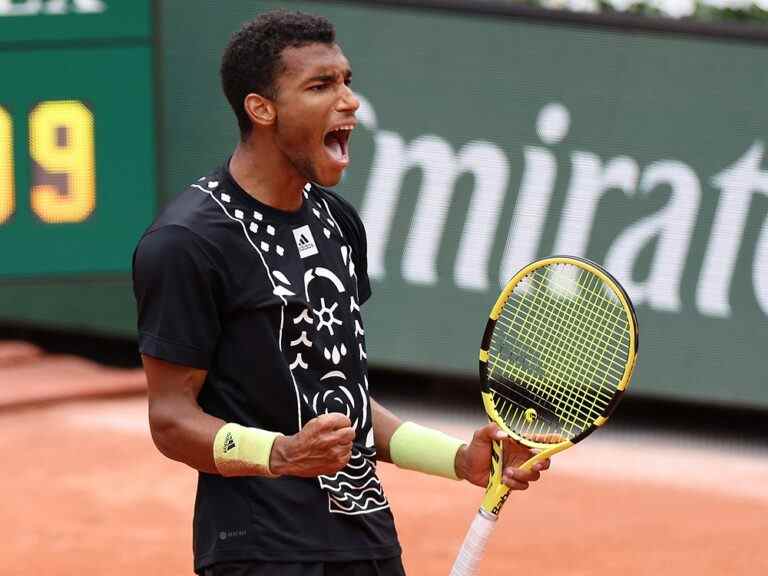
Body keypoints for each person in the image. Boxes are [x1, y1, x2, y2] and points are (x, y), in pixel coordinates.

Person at [132, 9, 549, 576]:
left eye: (347, 81)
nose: (349, 100)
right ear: (261, 108)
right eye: (321, 85)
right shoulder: (188, 242)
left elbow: (345, 399)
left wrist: (457, 460)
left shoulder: (338, 223)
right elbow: (171, 419)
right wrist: (280, 455)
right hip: (259, 551)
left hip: (368, 542)